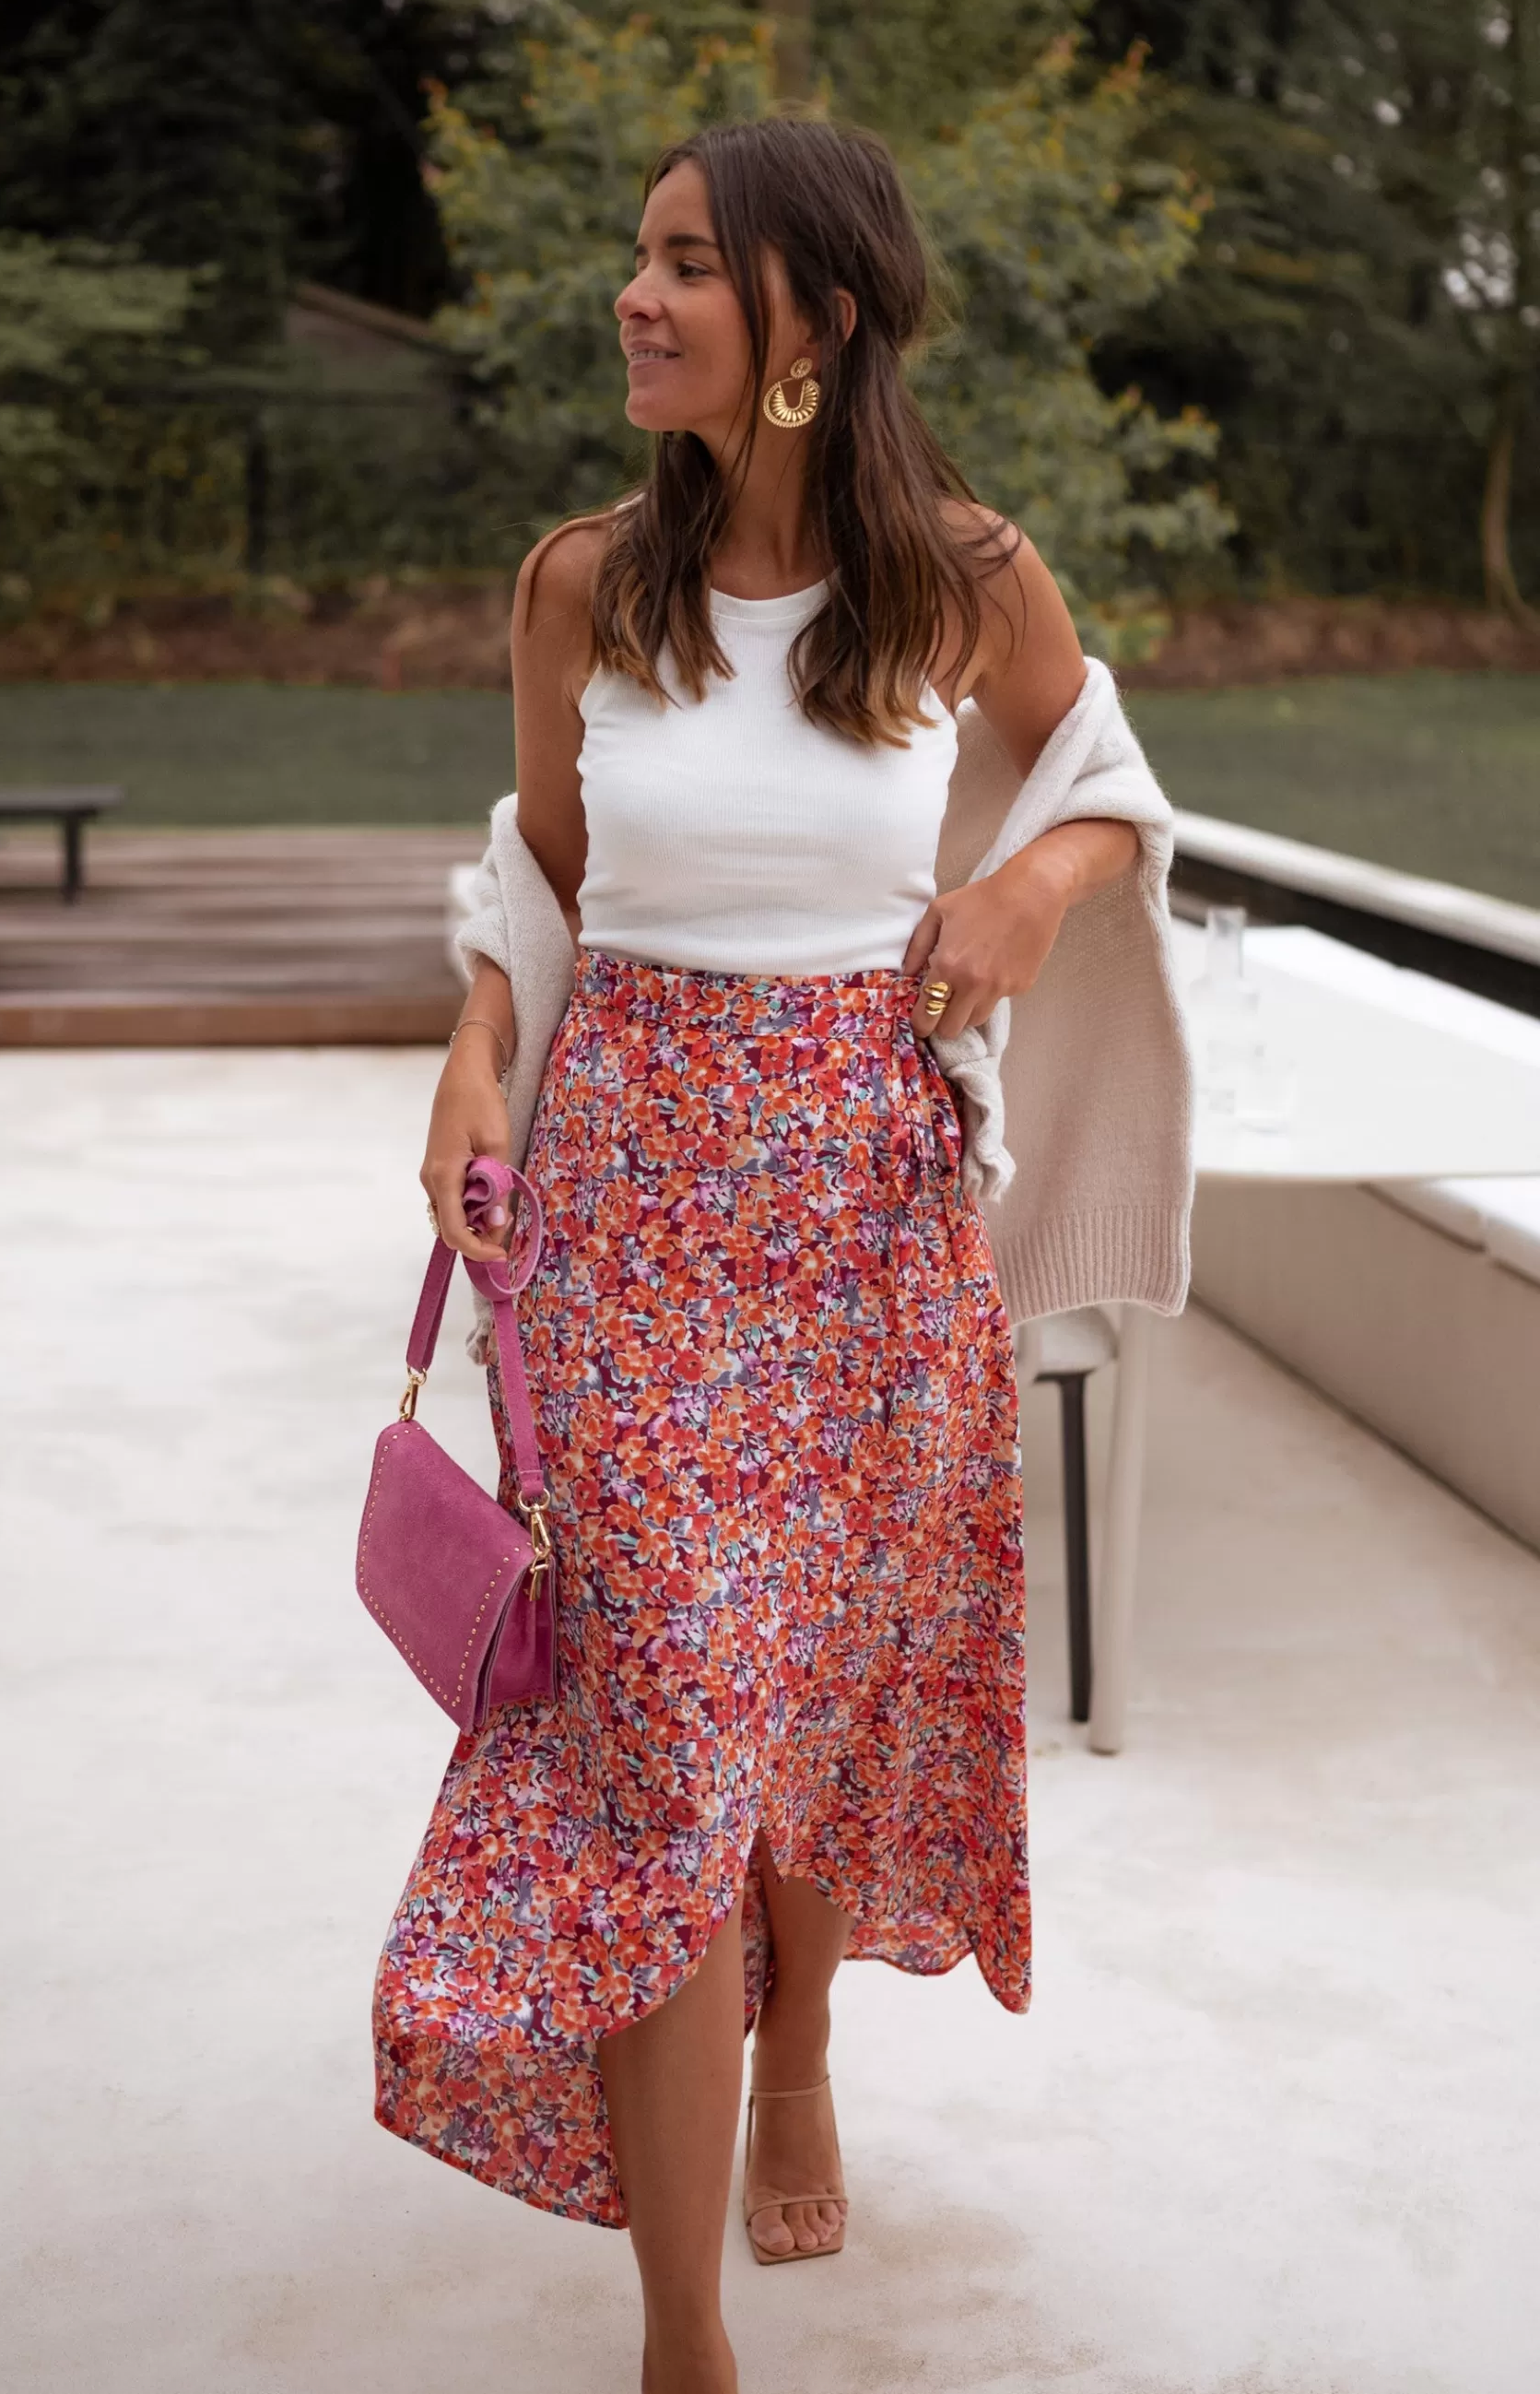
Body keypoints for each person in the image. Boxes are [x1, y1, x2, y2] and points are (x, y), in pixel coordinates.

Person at [372, 115, 1192, 2394]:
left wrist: (1025, 886)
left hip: (866, 1232)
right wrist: (473, 1045)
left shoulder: (961, 578)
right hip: (627, 1221)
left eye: (683, 264)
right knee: (659, 1727)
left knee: (811, 1687)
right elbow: (542, 882)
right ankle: (683, 2337)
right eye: (636, 258)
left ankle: (801, 2043)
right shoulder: (580, 586)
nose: (633, 298)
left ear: (813, 316)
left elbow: (1113, 786)